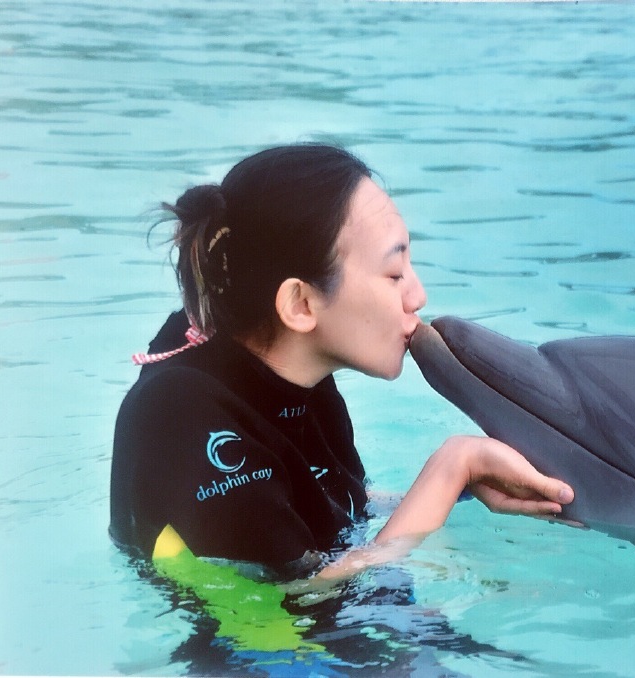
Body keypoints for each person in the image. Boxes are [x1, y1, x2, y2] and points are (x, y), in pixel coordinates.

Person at [110, 144, 573, 581]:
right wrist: (455, 466)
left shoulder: (298, 379)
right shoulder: (183, 414)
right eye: (394, 274)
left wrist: (463, 490)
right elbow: (304, 596)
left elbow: (328, 511)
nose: (418, 296)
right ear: (301, 304)